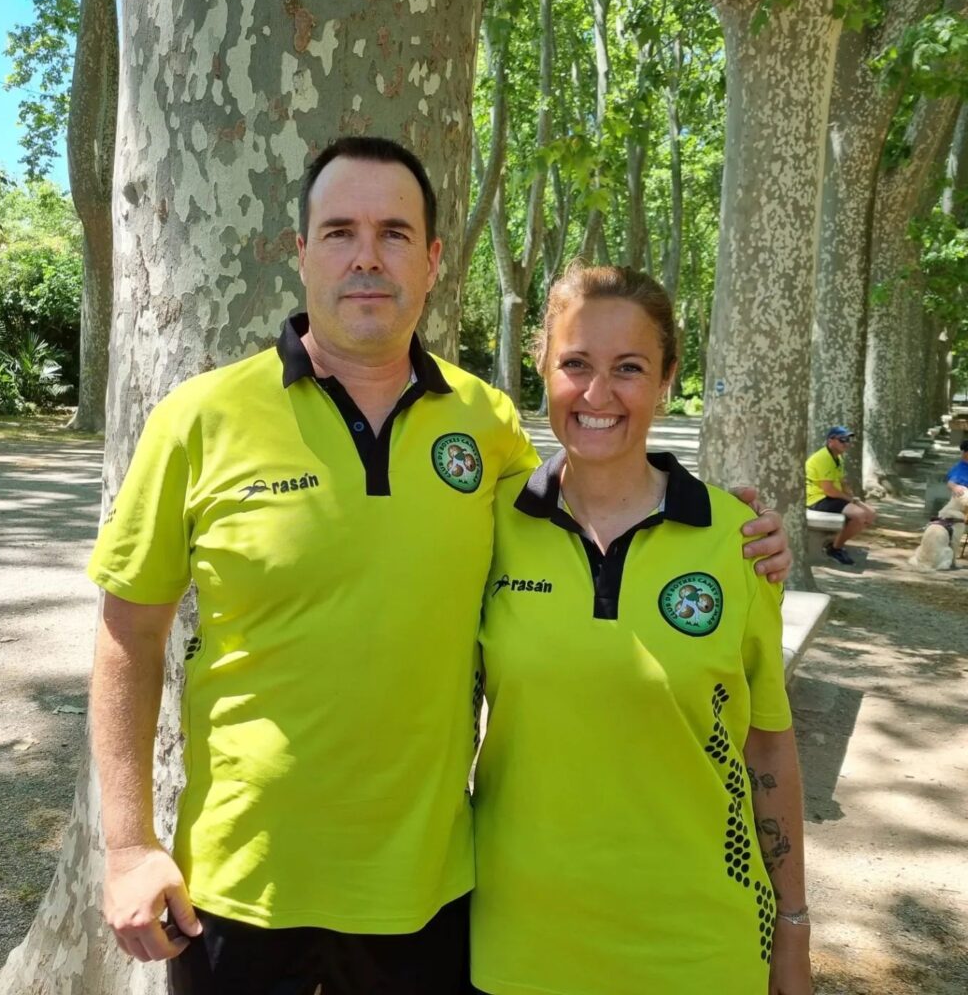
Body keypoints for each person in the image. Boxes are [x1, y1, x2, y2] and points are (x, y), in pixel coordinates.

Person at [86, 138, 792, 995]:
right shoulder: (199, 419)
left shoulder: (487, 425)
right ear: (300, 252)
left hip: (430, 894)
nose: (366, 257)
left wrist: (730, 532)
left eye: (394, 233)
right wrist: (128, 846)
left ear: (431, 261)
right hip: (240, 887)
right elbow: (129, 632)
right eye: (340, 232)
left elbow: (596, 494)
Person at [470, 263, 809, 995]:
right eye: (575, 364)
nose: (598, 394)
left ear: (666, 380)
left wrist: (793, 926)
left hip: (698, 943)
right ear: (541, 368)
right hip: (519, 937)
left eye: (628, 368)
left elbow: (767, 744)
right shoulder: (488, 524)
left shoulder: (738, 540)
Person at [805, 426, 876, 565]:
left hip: (831, 497)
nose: (846, 443)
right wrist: (850, 500)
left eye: (848, 440)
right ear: (830, 441)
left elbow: (842, 482)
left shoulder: (838, 458)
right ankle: (835, 549)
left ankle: (836, 541)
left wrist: (853, 497)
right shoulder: (823, 458)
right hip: (818, 499)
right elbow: (829, 490)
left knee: (871, 514)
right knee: (860, 515)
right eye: (842, 440)